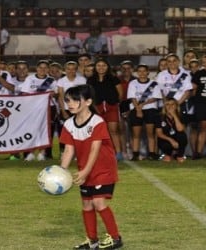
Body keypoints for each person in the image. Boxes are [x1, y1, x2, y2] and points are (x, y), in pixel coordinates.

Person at [59, 84, 123, 250]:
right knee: (87, 205)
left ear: (88, 102)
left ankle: (115, 238)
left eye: (74, 100)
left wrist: (86, 171)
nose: (70, 104)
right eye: (67, 100)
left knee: (98, 202)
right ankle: (92, 241)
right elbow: (68, 150)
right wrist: (61, 172)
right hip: (84, 169)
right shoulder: (68, 124)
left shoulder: (97, 121)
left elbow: (95, 148)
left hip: (103, 168)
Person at [19, 60, 56, 161]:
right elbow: (24, 94)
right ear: (37, 68)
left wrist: (53, 94)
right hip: (32, 109)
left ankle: (43, 153)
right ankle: (29, 153)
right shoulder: (30, 79)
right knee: (30, 130)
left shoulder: (51, 80)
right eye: (40, 67)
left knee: (45, 131)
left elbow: (56, 94)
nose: (42, 70)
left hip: (48, 108)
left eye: (45, 68)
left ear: (48, 69)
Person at [87, 59, 123, 160]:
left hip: (111, 107)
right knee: (97, 132)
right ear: (95, 67)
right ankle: (98, 153)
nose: (101, 67)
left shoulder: (114, 79)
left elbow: (120, 94)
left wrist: (114, 103)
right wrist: (94, 108)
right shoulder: (91, 80)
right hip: (96, 108)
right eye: (99, 65)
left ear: (107, 67)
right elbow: (89, 95)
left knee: (113, 130)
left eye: (103, 65)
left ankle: (118, 153)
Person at [127, 64, 161, 161]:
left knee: (150, 133)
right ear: (137, 73)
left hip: (150, 109)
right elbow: (132, 97)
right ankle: (135, 154)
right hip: (136, 109)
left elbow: (154, 98)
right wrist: (138, 109)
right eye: (139, 71)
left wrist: (142, 105)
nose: (142, 73)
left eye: (144, 71)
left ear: (148, 72)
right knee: (136, 134)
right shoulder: (133, 83)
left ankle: (152, 153)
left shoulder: (154, 84)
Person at [156, 97, 188, 162]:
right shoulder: (160, 117)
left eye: (172, 104)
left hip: (177, 138)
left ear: (176, 106)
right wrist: (171, 140)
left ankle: (179, 155)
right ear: (165, 106)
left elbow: (181, 129)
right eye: (167, 104)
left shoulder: (181, 116)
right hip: (166, 139)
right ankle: (168, 155)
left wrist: (174, 115)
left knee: (182, 136)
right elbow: (159, 133)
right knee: (167, 157)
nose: (170, 106)